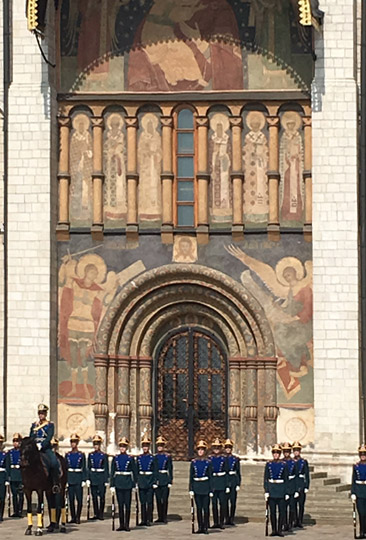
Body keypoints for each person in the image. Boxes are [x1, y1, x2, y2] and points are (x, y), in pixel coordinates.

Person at [29, 403, 60, 494]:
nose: (41, 415)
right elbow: (31, 437)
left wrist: (42, 445)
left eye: (42, 413)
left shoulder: (50, 425)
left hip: (45, 448)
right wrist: (34, 443)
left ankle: (55, 484)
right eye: (39, 413)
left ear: (46, 414)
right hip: (35, 448)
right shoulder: (34, 425)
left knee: (54, 462)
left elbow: (49, 436)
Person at [110, 437, 137, 532]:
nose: (122, 448)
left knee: (127, 505)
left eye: (124, 446)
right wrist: (112, 485)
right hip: (118, 482)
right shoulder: (116, 458)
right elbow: (112, 472)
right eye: (121, 446)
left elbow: (134, 472)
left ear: (127, 448)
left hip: (127, 483)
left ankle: (127, 524)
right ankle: (121, 524)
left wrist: (134, 484)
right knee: (120, 505)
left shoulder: (130, 458)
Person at [263, 443, 289, 537]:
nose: (276, 455)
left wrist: (286, 492)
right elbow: (266, 478)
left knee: (281, 511)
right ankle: (274, 530)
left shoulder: (284, 465)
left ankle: (279, 529)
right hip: (272, 489)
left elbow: (286, 479)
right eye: (274, 453)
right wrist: (266, 490)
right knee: (272, 512)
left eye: (277, 453)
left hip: (281, 489)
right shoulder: (269, 464)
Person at [189, 440, 213, 535]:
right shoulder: (194, 462)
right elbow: (191, 476)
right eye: (199, 450)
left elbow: (211, 477)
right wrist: (191, 489)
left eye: (202, 450)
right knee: (198, 508)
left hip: (205, 486)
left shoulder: (208, 462)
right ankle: (200, 527)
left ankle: (206, 526)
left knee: (206, 508)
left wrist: (211, 489)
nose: (200, 451)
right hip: (197, 486)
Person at [66, 433, 87, 524]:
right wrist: (66, 480)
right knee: (71, 499)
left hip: (78, 478)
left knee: (79, 499)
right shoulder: (68, 455)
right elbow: (65, 468)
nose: (73, 444)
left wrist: (84, 479)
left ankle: (78, 517)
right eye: (72, 442)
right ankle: (73, 517)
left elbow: (84, 467)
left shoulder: (81, 455)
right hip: (70, 477)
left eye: (74, 442)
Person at [87, 435, 109, 521]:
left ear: (100, 445)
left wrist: (106, 479)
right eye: (95, 444)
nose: (96, 446)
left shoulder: (103, 455)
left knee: (102, 497)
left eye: (97, 444)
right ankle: (96, 513)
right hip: (93, 476)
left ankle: (101, 513)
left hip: (101, 477)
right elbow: (89, 467)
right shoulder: (91, 455)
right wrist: (88, 478)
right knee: (94, 496)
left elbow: (106, 468)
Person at [209, 438, 229, 529]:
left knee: (222, 503)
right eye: (215, 447)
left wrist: (227, 485)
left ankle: (221, 522)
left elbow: (227, 472)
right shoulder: (209, 458)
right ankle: (215, 522)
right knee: (214, 504)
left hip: (221, 482)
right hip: (213, 482)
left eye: (218, 447)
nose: (216, 449)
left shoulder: (224, 459)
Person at [136, 434, 156, 527]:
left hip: (150, 480)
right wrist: (136, 481)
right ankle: (143, 519)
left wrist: (155, 482)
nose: (145, 447)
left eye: (147, 446)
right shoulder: (139, 458)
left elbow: (155, 471)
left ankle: (149, 518)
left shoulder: (153, 458)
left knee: (149, 501)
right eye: (144, 446)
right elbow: (136, 470)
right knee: (142, 502)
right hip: (142, 481)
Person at [153, 436, 173, 524]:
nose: (160, 447)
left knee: (164, 499)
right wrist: (154, 480)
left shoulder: (167, 456)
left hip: (165, 478)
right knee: (158, 499)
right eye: (158, 445)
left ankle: (164, 516)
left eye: (161, 445)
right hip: (157, 478)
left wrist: (170, 480)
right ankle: (159, 516)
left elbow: (170, 468)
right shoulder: (155, 456)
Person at [5, 433, 23, 518]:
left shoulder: (22, 452)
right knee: (14, 495)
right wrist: (8, 477)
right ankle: (15, 511)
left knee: (21, 494)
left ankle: (20, 511)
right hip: (13, 475)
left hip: (20, 475)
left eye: (17, 441)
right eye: (14, 441)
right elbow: (8, 465)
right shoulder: (10, 452)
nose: (15, 443)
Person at [224, 439, 241, 526]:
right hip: (225, 480)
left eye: (229, 447)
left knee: (233, 501)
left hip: (233, 480)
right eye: (226, 447)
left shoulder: (235, 459)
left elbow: (238, 472)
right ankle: (226, 518)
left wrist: (238, 483)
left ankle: (232, 518)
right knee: (225, 501)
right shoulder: (222, 459)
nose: (228, 449)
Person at [281, 442, 298, 531]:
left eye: (288, 451)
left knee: (292, 507)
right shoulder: (281, 462)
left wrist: (296, 490)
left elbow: (296, 477)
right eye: (285, 451)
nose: (286, 453)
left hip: (291, 486)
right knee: (283, 508)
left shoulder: (293, 462)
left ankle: (290, 523)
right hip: (283, 487)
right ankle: (284, 523)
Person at [293, 441, 309, 528]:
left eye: (297, 450)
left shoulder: (303, 462)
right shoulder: (291, 462)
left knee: (301, 504)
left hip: (301, 483)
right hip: (294, 484)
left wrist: (306, 486)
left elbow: (307, 474)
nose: (296, 452)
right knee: (294, 504)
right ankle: (295, 520)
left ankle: (300, 520)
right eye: (295, 450)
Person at [351, 444, 366, 539]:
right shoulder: (356, 466)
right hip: (359, 491)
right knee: (361, 513)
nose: (363, 456)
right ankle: (362, 532)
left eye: (364, 454)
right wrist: (353, 492)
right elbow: (353, 480)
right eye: (361, 454)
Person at [0, 434, 7, 522]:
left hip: (2, 476)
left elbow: (7, 467)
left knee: (2, 497)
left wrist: (7, 479)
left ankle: (0, 515)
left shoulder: (5, 454)